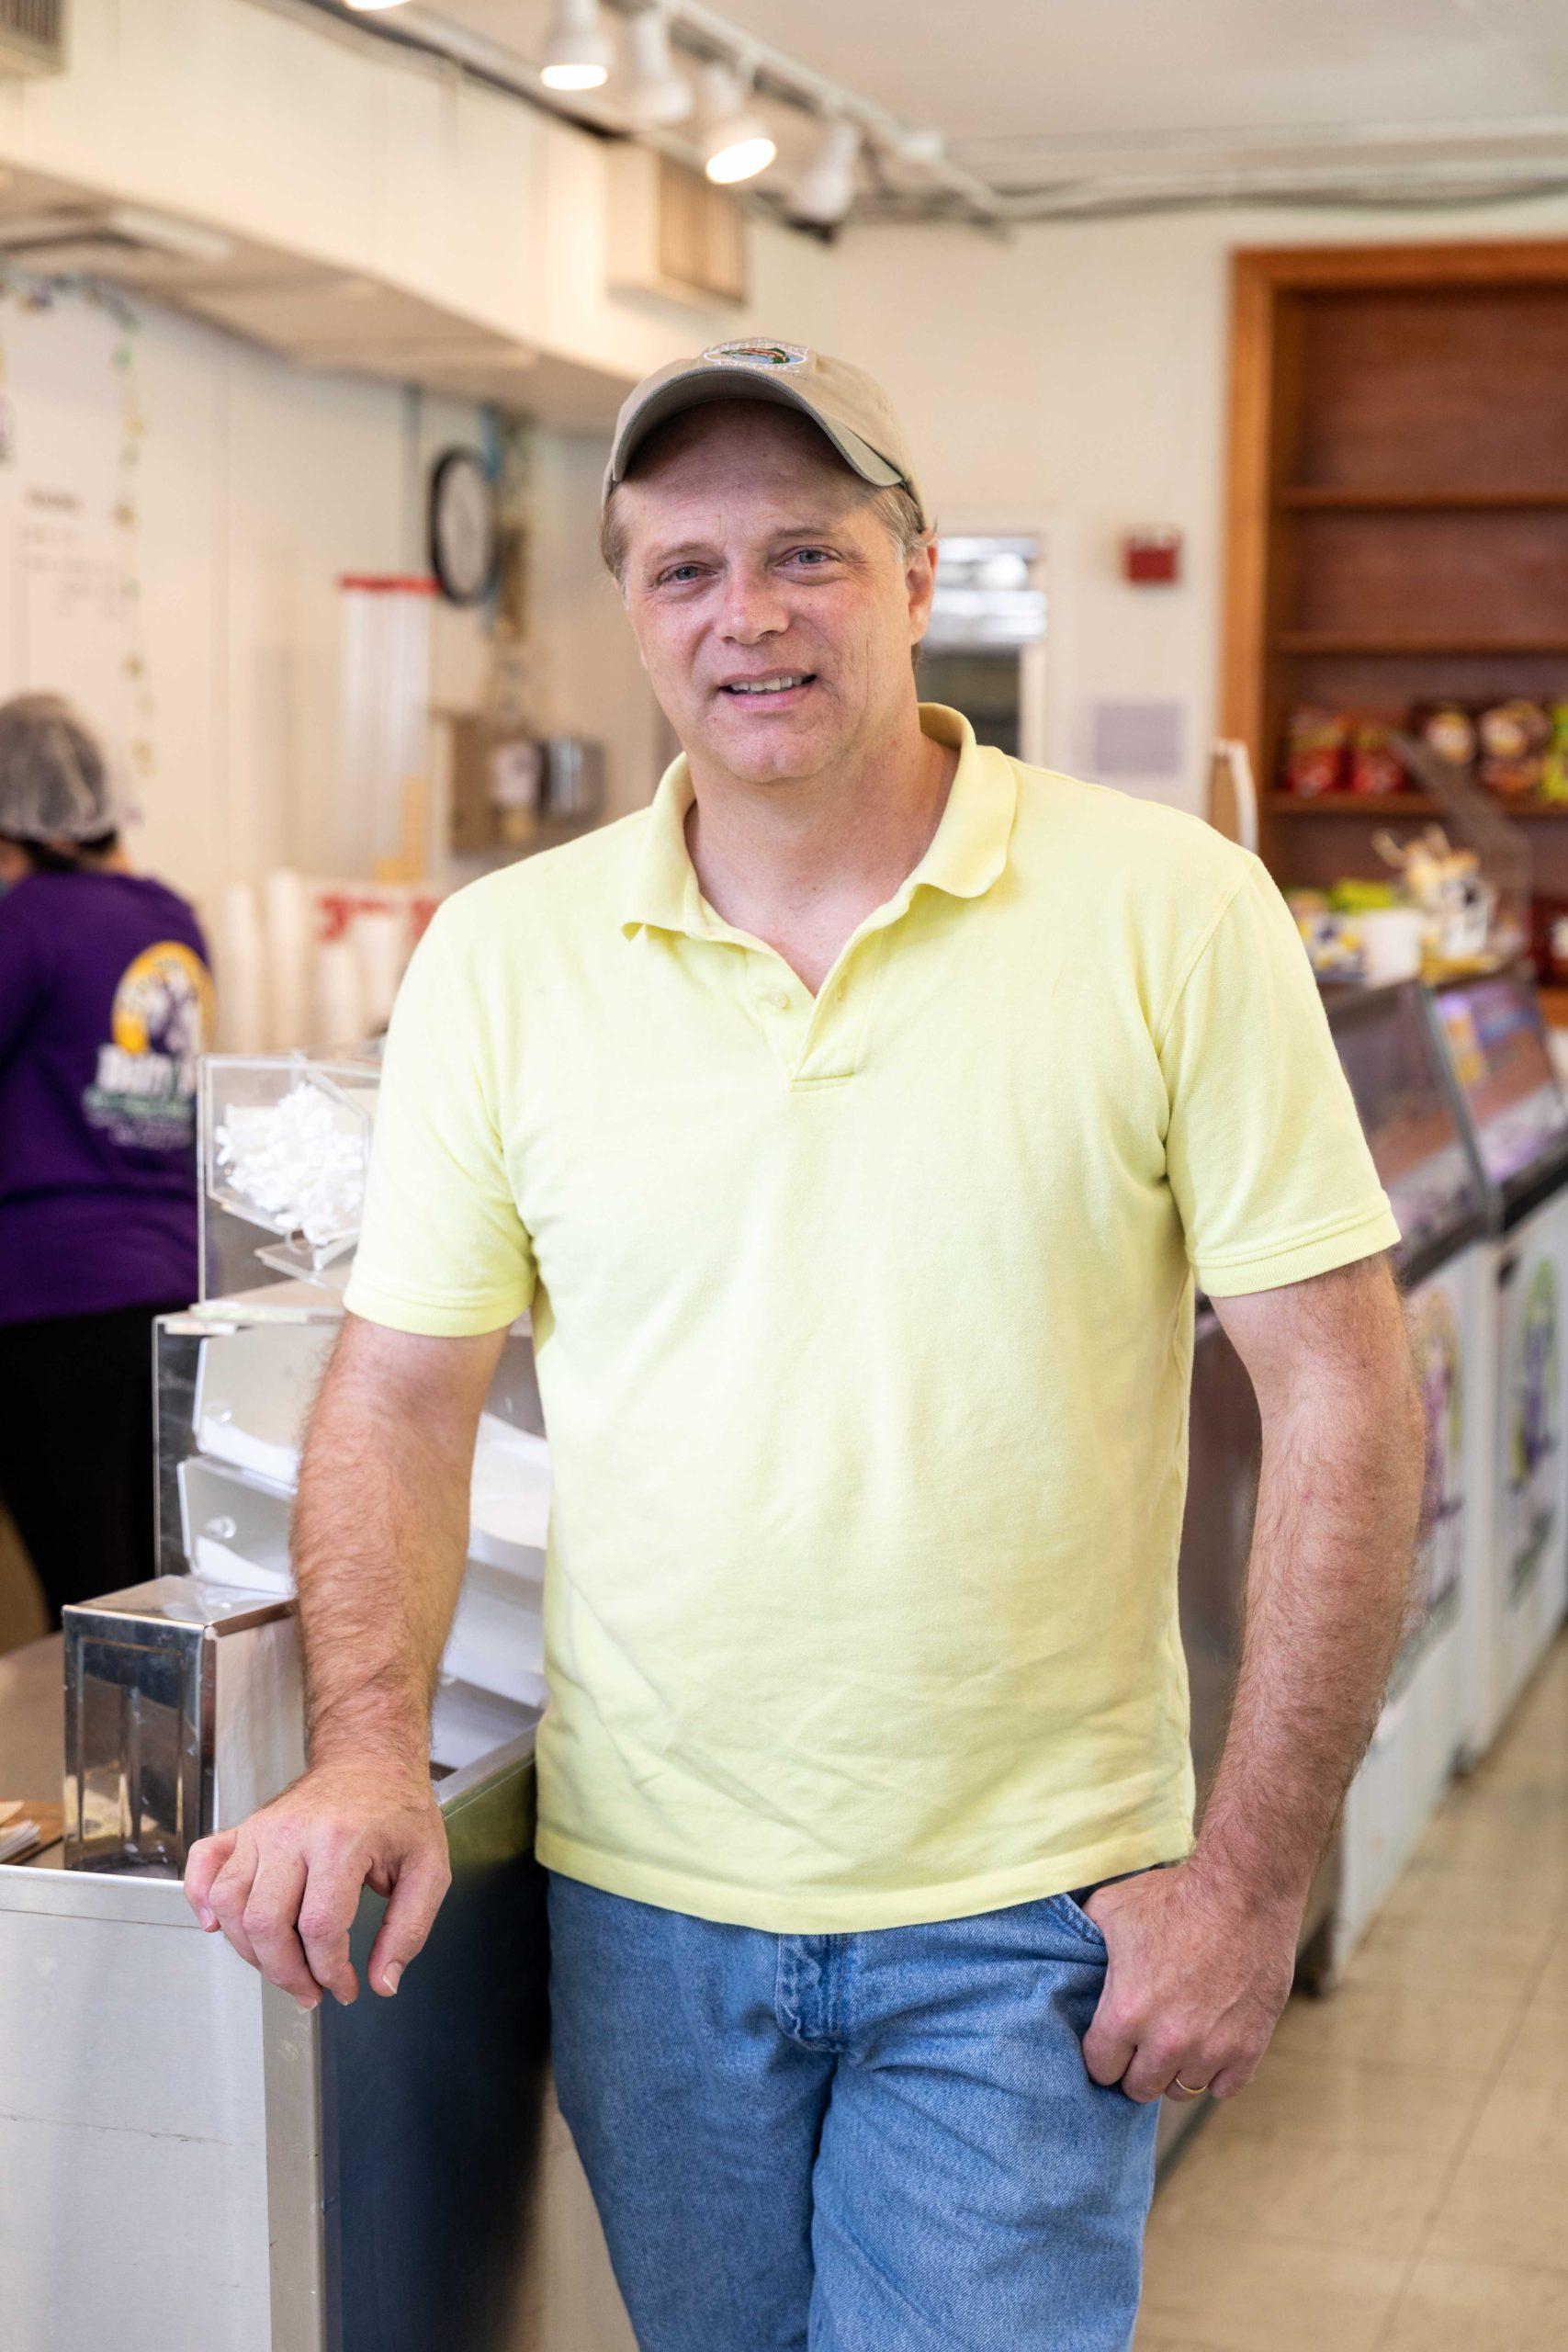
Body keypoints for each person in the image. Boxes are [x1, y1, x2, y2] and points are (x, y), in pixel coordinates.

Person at [186, 344, 1426, 2351]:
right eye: (682, 570)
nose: (743, 616)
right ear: (629, 611)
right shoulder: (507, 956)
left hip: (1029, 1913)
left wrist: (1252, 1876)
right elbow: (400, 1391)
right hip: (650, 1907)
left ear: (915, 571)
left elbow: (1345, 1393)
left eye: (803, 554)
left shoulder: (1171, 913)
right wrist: (362, 1753)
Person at [0, 695, 211, 1623]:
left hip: (51, 1302)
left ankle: (88, 1772)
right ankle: (166, 1768)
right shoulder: (172, 920)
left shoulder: (26, 922)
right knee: (155, 1587)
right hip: (172, 1290)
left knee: (82, 1592)